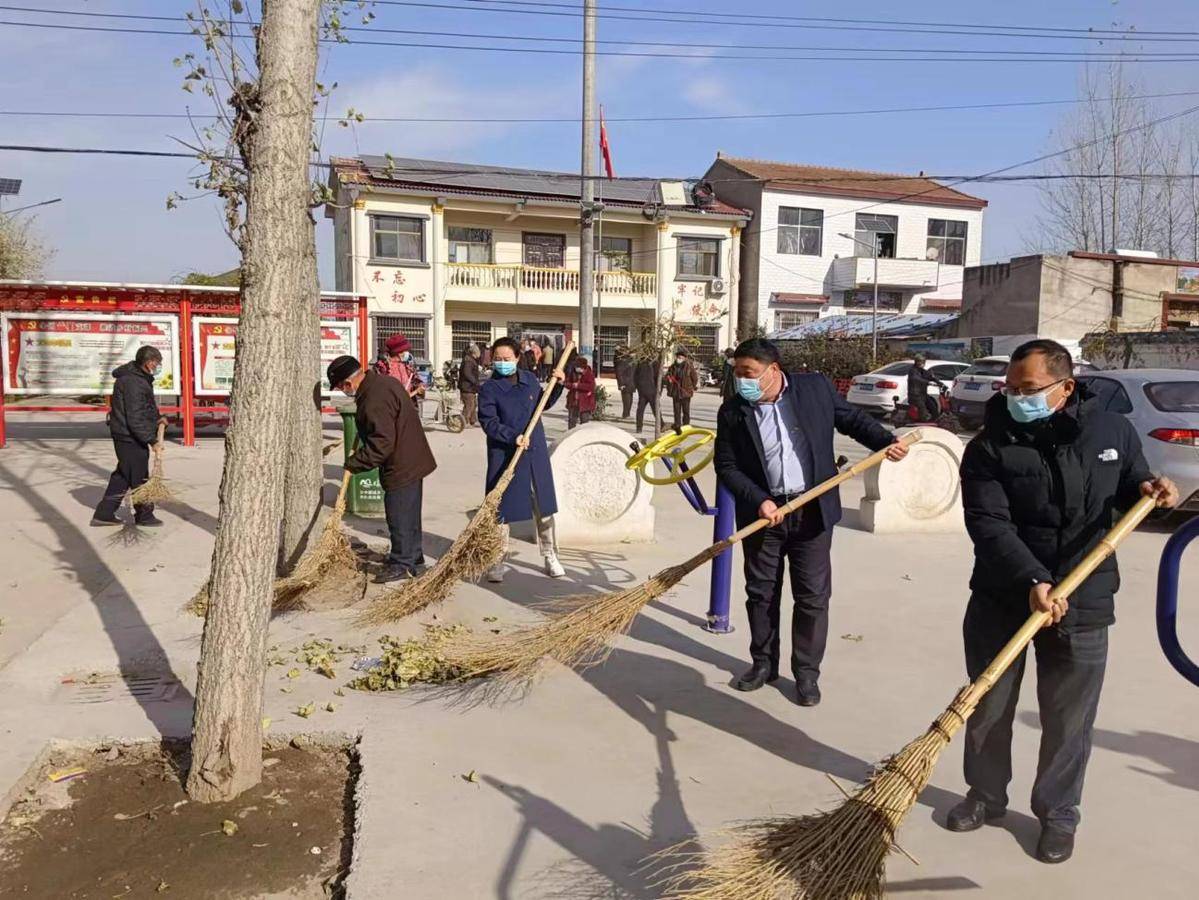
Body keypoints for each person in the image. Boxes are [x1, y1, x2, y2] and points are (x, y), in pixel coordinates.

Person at [948, 338, 1178, 864]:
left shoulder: (1111, 429)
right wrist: (1032, 578)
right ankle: (985, 796)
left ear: (1065, 386)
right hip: (1004, 594)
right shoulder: (988, 445)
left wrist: (1151, 491)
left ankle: (1058, 814)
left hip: (1086, 594)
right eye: (1010, 389)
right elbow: (988, 523)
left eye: (1027, 390)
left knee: (1068, 716)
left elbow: (1129, 488)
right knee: (988, 705)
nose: (1015, 398)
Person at [714, 338, 909, 706]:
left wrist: (885, 442)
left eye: (748, 373)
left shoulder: (814, 389)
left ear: (773, 371)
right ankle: (763, 664)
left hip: (812, 511)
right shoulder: (733, 411)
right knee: (761, 594)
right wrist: (760, 501)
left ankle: (806, 674)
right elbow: (726, 466)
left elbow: (851, 419)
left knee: (812, 597)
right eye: (737, 373)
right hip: (765, 516)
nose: (741, 381)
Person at [327, 354, 437, 582]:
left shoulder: (374, 397)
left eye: (341, 387)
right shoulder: (381, 383)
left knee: (399, 514)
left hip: (402, 463)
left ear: (348, 383)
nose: (343, 391)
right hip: (411, 458)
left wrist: (354, 463)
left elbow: (382, 444)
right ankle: (414, 557)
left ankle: (402, 563)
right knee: (409, 514)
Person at [478, 337, 567, 581]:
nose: (502, 363)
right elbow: (488, 422)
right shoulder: (489, 388)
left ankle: (550, 555)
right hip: (505, 453)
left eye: (507, 359)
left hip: (534, 450)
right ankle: (497, 560)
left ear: (518, 357)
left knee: (544, 506)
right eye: (497, 359)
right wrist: (511, 436)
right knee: (500, 509)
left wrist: (557, 384)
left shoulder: (528, 381)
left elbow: (543, 403)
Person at [92, 346, 167, 527]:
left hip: (128, 434)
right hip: (129, 436)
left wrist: (158, 418)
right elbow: (135, 417)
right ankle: (144, 516)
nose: (158, 366)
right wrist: (152, 440)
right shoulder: (134, 382)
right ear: (149, 362)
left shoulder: (139, 379)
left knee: (123, 475)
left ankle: (104, 513)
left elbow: (145, 407)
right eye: (157, 363)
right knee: (139, 477)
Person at [375, 334, 423, 400]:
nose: (408, 353)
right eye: (406, 350)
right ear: (399, 352)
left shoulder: (407, 366)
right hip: (390, 406)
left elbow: (416, 381)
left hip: (408, 405)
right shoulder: (383, 367)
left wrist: (420, 386)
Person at [906, 354, 947, 423]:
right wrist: (928, 382)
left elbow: (931, 376)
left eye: (922, 362)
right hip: (915, 395)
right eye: (919, 362)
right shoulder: (913, 371)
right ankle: (923, 422)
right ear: (916, 362)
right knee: (922, 409)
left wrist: (940, 383)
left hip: (923, 394)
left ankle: (935, 420)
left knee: (933, 406)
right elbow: (916, 378)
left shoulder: (922, 371)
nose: (921, 363)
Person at [665, 346, 699, 429]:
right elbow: (667, 375)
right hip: (676, 392)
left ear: (684, 358)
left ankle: (686, 424)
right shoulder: (673, 366)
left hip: (685, 391)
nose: (679, 358)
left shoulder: (689, 366)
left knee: (686, 410)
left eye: (681, 357)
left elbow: (694, 378)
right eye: (678, 357)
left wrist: (692, 387)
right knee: (676, 410)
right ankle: (677, 424)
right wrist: (668, 379)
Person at [566, 354, 597, 428]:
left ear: (582, 367)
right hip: (573, 400)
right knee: (571, 421)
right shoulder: (573, 373)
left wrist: (578, 386)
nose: (576, 368)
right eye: (576, 367)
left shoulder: (589, 374)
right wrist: (570, 385)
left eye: (578, 367)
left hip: (585, 401)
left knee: (584, 422)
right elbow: (568, 383)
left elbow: (591, 387)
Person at [634, 356, 660, 434]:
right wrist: (659, 390)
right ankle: (661, 424)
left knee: (640, 410)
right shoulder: (654, 363)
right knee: (656, 409)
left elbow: (635, 376)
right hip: (651, 390)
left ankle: (639, 428)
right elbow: (658, 377)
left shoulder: (640, 362)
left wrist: (638, 387)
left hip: (643, 390)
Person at [458, 343, 482, 427]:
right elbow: (467, 373)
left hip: (470, 387)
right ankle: (464, 421)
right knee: (469, 404)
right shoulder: (468, 361)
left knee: (474, 404)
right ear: (474, 353)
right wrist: (475, 381)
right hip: (467, 387)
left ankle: (473, 420)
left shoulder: (471, 360)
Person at [613, 345, 635, 419]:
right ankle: (625, 414)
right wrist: (621, 384)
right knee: (626, 400)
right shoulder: (622, 360)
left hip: (631, 382)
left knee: (630, 399)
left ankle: (627, 414)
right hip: (625, 383)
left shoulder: (631, 360)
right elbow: (619, 373)